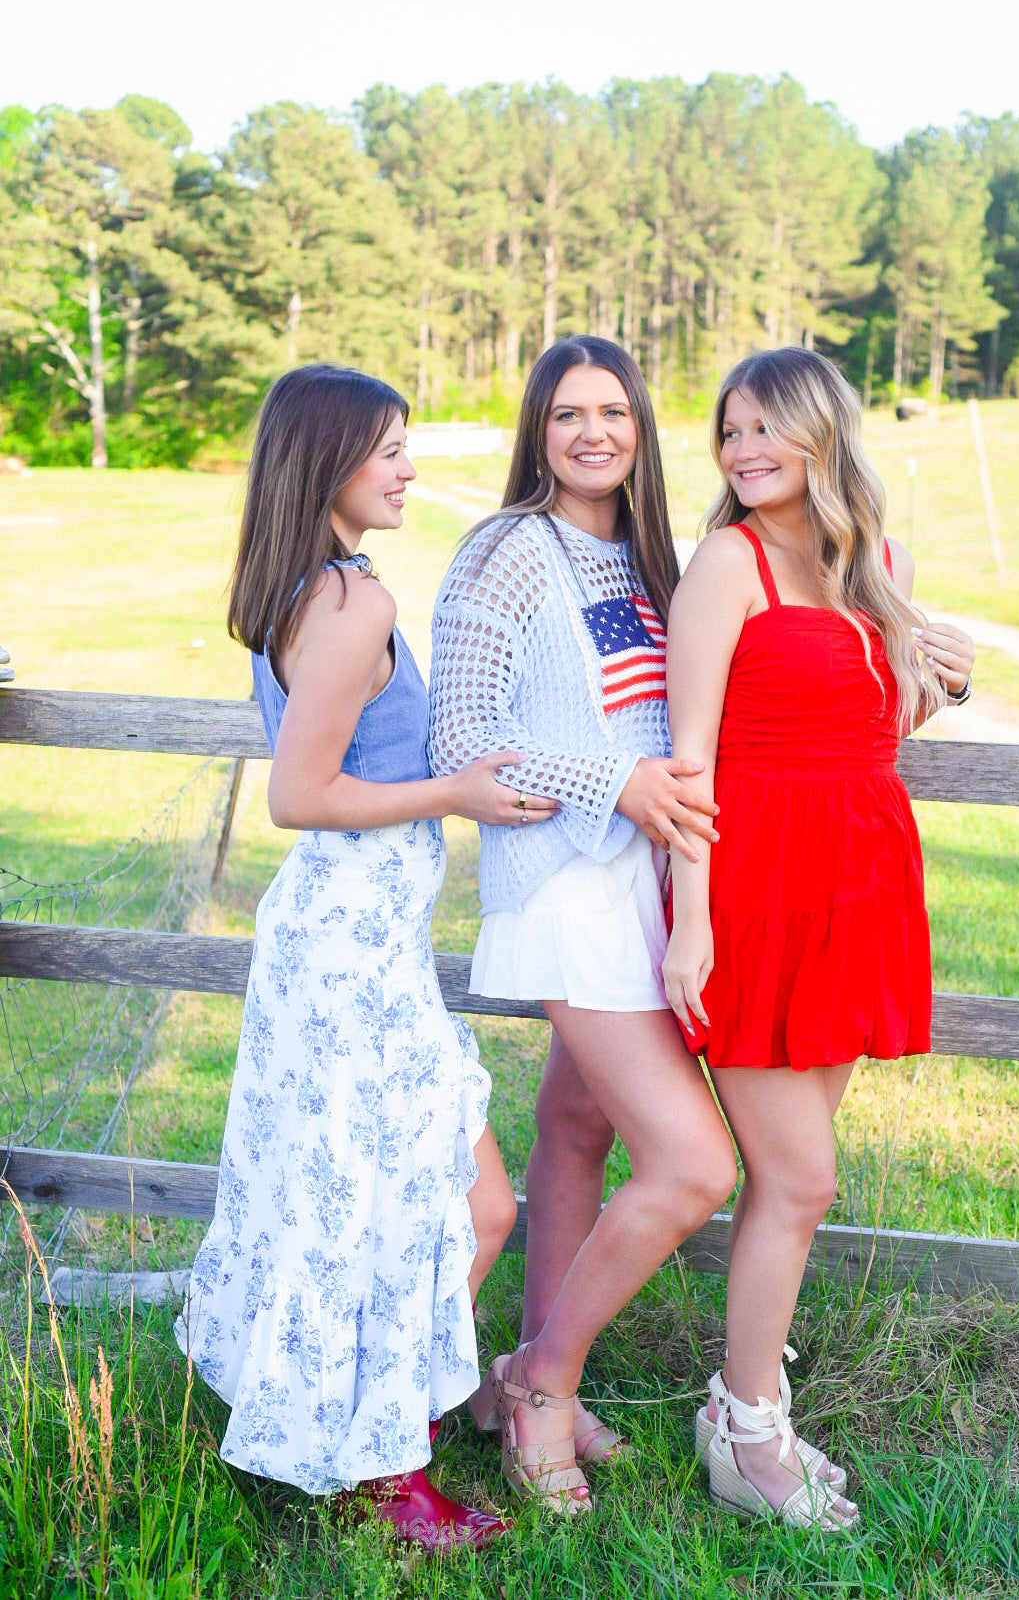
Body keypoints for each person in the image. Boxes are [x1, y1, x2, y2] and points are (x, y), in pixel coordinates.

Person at [174, 363, 557, 1550]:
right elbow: (299, 792)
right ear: (326, 460)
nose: (407, 467)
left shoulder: (314, 586)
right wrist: (464, 793)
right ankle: (382, 1473)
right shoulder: (350, 602)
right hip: (348, 945)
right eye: (386, 449)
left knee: (440, 1201)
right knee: (441, 1208)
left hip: (354, 938)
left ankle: (361, 1433)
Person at [663, 347, 975, 1530]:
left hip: (860, 884)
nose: (742, 452)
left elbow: (875, 717)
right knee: (800, 1177)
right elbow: (690, 760)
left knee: (791, 1182)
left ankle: (743, 1407)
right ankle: (747, 1435)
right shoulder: (724, 566)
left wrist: (946, 680)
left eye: (763, 430)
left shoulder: (874, 562)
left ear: (819, 432)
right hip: (756, 892)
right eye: (728, 433)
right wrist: (691, 920)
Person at [429, 335, 737, 1515]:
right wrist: (614, 782)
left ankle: (510, 1386)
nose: (592, 432)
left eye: (613, 411)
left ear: (641, 428)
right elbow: (460, 738)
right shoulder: (508, 550)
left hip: (642, 885)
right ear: (537, 430)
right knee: (696, 1162)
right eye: (568, 414)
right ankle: (541, 1381)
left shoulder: (654, 556)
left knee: (572, 1129)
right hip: (564, 883)